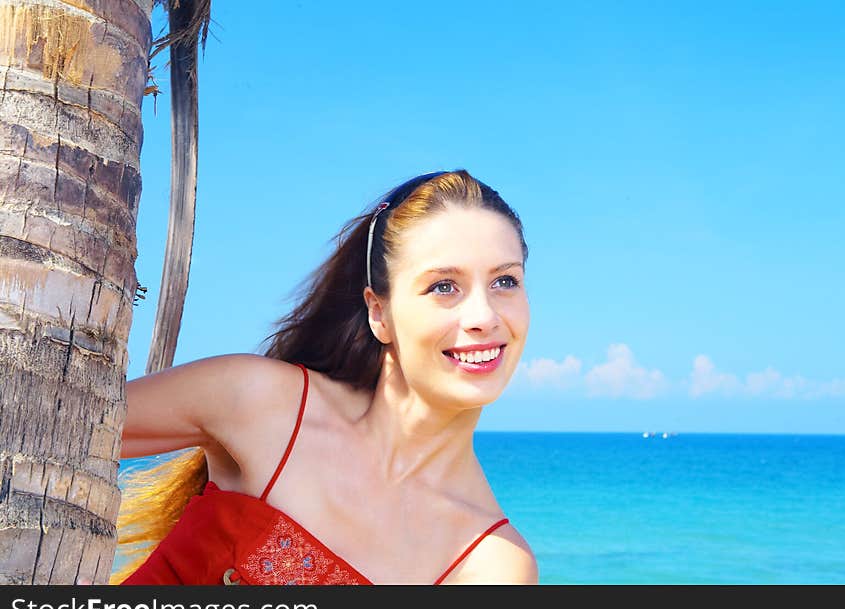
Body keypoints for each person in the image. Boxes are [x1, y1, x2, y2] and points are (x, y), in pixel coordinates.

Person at [113, 170, 537, 585]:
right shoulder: (260, 404)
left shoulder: (494, 566)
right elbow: (61, 425)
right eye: (444, 286)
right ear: (379, 313)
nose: (485, 316)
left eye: (505, 281)